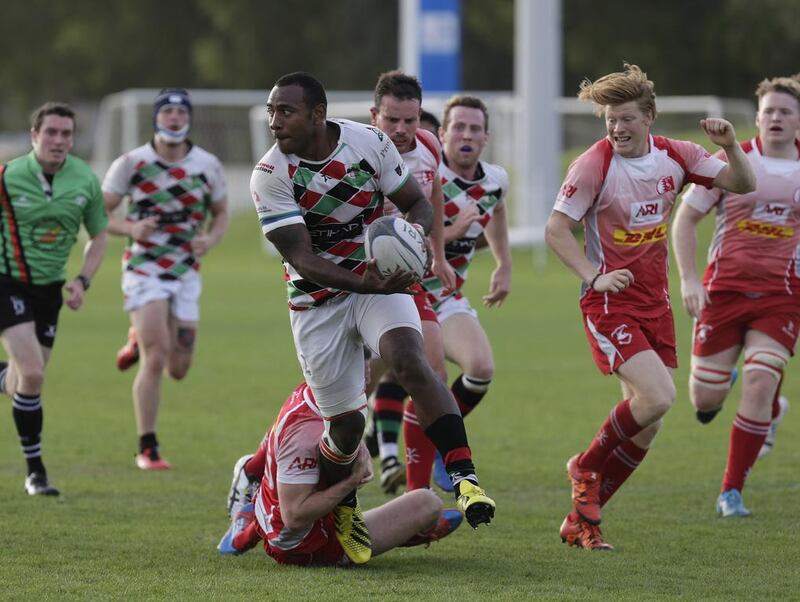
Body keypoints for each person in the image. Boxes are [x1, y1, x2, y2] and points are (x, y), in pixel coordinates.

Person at [249, 71, 495, 564]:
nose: (274, 121)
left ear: (318, 114)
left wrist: (414, 236)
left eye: (285, 111)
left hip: (374, 283)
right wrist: (370, 280)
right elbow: (303, 258)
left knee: (410, 360)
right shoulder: (270, 175)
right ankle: (345, 503)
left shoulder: (369, 144)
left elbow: (418, 204)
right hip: (315, 302)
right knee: (343, 426)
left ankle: (466, 479)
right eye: (272, 111)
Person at [545, 64, 755, 549]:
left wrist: (730, 146)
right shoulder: (592, 164)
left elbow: (742, 184)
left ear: (649, 117)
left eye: (625, 119)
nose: (616, 128)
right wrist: (592, 276)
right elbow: (557, 229)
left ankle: (582, 523)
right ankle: (586, 466)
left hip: (654, 304)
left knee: (648, 422)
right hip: (609, 303)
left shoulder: (675, 156)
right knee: (659, 397)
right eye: (609, 120)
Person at [672, 76, 800, 517]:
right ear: (757, 116)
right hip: (723, 293)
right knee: (704, 401)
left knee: (760, 377)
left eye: (786, 111)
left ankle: (731, 492)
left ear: (798, 120)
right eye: (769, 111)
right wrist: (690, 280)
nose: (777, 118)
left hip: (782, 297)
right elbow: (685, 220)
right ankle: (757, 398)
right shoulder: (732, 161)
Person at [103, 88, 229, 470]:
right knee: (156, 358)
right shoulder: (131, 163)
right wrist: (130, 226)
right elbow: (98, 214)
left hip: (186, 273)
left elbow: (221, 213)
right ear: (156, 118)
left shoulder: (207, 165)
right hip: (144, 269)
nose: (174, 117)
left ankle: (137, 336)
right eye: (167, 111)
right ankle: (148, 447)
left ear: (188, 118)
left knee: (178, 368)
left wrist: (209, 238)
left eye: (180, 111)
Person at [216, 381, 463, 564]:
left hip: (276, 511)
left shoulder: (316, 394)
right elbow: (294, 516)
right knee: (428, 505)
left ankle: (246, 527)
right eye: (361, 363)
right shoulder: (305, 433)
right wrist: (350, 484)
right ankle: (409, 532)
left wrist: (362, 448)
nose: (367, 371)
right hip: (302, 545)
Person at [403, 95, 512, 493]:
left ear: (486, 136)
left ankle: (438, 445)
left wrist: (503, 264)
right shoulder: (425, 176)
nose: (466, 135)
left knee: (480, 368)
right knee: (423, 380)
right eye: (458, 127)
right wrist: (450, 231)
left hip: (447, 298)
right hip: (402, 294)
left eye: (474, 128)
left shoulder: (495, 180)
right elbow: (398, 236)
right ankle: (415, 488)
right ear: (443, 133)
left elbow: (496, 212)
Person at [0, 102, 108, 495]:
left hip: (50, 290)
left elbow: (99, 237)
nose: (60, 140)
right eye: (52, 133)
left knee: (23, 381)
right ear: (34, 136)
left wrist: (82, 280)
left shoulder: (84, 180)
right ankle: (36, 473)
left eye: (67, 134)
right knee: (33, 374)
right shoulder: (8, 177)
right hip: (7, 282)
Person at [367, 70, 457, 494]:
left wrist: (437, 256)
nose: (403, 130)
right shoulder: (352, 157)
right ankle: (263, 470)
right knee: (350, 390)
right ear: (374, 117)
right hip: (353, 282)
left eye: (411, 120)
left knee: (431, 369)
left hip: (405, 279)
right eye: (392, 121)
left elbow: (433, 196)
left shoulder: (430, 146)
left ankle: (420, 494)